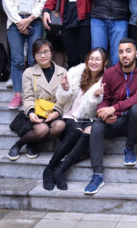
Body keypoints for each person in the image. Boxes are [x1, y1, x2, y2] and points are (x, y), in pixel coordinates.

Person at [84, 38, 137, 195]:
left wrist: (113, 108)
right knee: (97, 127)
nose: (124, 55)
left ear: (136, 53)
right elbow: (105, 99)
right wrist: (103, 112)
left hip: (133, 122)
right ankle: (97, 175)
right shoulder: (110, 73)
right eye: (121, 52)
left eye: (128, 51)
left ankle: (129, 148)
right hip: (114, 120)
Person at [44, 48, 107, 191]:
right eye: (91, 59)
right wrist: (65, 88)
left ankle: (61, 169)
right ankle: (49, 168)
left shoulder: (105, 80)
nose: (94, 62)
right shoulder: (75, 73)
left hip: (88, 118)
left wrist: (96, 97)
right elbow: (61, 100)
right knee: (77, 131)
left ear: (105, 62)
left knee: (89, 131)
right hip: (69, 116)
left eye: (98, 59)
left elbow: (91, 111)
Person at [2, 0, 48, 109]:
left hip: (34, 21)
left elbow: (43, 1)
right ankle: (18, 95)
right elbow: (7, 2)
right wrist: (19, 22)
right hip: (14, 22)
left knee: (34, 58)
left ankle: (33, 94)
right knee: (17, 60)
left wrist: (29, 19)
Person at [7, 39, 66, 161]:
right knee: (42, 128)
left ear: (51, 53)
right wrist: (30, 113)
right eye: (38, 53)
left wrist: (56, 112)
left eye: (46, 52)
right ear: (34, 55)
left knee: (59, 126)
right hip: (36, 112)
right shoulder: (29, 72)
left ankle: (32, 142)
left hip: (52, 111)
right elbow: (28, 97)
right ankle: (18, 144)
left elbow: (64, 97)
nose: (43, 56)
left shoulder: (62, 72)